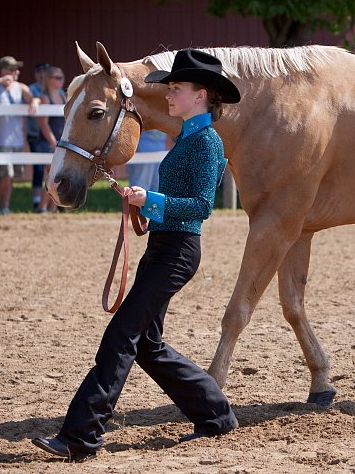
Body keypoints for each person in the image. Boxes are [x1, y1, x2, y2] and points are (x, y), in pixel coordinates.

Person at [32, 49, 241, 462]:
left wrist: (155, 199)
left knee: (121, 337)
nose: (168, 93)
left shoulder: (207, 142)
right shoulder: (187, 138)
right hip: (164, 247)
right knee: (147, 344)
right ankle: (215, 414)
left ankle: (81, 436)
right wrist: (143, 203)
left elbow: (201, 205)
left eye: (176, 88)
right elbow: (179, 201)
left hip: (178, 251)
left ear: (201, 95)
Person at [0, 56, 40, 214]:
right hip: (0, 139)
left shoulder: (21, 87)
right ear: (3, 70)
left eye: (16, 69)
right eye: (12, 69)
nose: (16, 72)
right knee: (5, 175)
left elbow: (33, 97)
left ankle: (5, 207)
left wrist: (34, 102)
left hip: (16, 140)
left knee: (11, 178)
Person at [35, 66, 66, 213]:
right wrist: (53, 143)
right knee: (53, 176)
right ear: (48, 79)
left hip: (62, 141)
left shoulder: (64, 96)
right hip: (48, 142)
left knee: (57, 175)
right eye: (57, 77)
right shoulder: (44, 98)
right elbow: (43, 124)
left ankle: (52, 207)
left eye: (61, 77)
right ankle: (42, 206)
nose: (61, 80)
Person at [28, 62, 51, 209]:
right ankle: (37, 199)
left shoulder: (53, 90)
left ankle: (52, 201)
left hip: (49, 134)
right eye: (41, 72)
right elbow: (32, 100)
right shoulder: (32, 89)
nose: (43, 75)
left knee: (51, 169)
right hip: (35, 133)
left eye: (46, 72)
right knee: (38, 169)